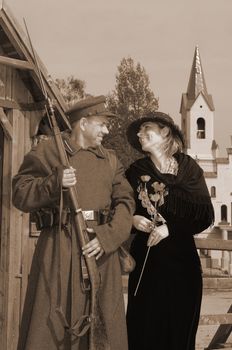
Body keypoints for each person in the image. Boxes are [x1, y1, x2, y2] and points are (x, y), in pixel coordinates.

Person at [12, 95, 135, 350]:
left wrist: (107, 237)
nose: (106, 130)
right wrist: (54, 183)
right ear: (83, 123)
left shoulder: (111, 160)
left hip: (101, 254)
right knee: (49, 329)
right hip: (58, 250)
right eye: (101, 124)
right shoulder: (47, 152)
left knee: (104, 331)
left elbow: (126, 203)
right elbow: (20, 194)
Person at [125, 112, 214, 350]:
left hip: (182, 265)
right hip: (147, 263)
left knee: (179, 331)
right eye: (139, 130)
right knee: (144, 329)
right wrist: (132, 219)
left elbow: (205, 215)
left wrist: (169, 229)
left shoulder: (189, 168)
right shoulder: (135, 171)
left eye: (146, 128)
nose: (139, 133)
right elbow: (119, 207)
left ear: (164, 131)